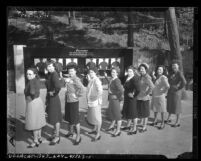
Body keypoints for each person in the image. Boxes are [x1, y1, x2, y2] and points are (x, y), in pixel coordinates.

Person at [24, 68, 46, 148]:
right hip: (38, 102)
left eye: (30, 74)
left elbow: (32, 92)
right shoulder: (37, 80)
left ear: (34, 74)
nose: (28, 76)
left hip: (32, 103)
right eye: (27, 74)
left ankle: (35, 141)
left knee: (34, 122)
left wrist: (30, 96)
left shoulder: (31, 81)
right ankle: (39, 138)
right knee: (38, 121)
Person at [64, 64, 85, 145]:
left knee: (75, 119)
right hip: (68, 100)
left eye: (72, 71)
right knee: (70, 117)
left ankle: (78, 136)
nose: (70, 72)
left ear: (75, 71)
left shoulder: (76, 79)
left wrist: (77, 95)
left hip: (73, 101)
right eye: (69, 71)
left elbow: (82, 89)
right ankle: (71, 132)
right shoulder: (70, 78)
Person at [45, 60, 62, 145]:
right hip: (50, 98)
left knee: (55, 118)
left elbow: (58, 87)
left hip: (54, 98)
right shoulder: (50, 74)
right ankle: (54, 134)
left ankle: (57, 137)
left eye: (51, 66)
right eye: (48, 66)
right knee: (53, 117)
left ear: (54, 67)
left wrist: (53, 93)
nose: (49, 68)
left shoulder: (54, 74)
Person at [166, 62, 187, 127]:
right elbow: (169, 80)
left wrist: (178, 87)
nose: (173, 67)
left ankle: (177, 122)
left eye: (175, 66)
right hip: (170, 91)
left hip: (176, 92)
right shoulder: (172, 73)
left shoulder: (179, 73)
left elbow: (184, 82)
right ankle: (168, 118)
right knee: (170, 105)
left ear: (178, 66)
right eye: (173, 66)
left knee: (177, 107)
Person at [105, 67, 124, 137]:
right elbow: (110, 83)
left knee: (117, 115)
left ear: (117, 73)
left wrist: (117, 97)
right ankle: (112, 126)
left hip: (115, 99)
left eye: (114, 72)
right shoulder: (112, 79)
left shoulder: (117, 80)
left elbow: (121, 90)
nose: (112, 73)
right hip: (111, 99)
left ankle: (118, 130)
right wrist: (106, 77)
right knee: (112, 113)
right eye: (112, 72)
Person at [86, 67, 103, 142]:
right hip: (91, 101)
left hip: (96, 102)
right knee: (93, 116)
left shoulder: (97, 80)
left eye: (92, 72)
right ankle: (94, 129)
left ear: (96, 72)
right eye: (90, 72)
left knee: (97, 118)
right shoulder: (92, 80)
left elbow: (100, 91)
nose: (91, 73)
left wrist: (95, 97)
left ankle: (98, 133)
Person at [121, 66, 140, 135]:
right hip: (126, 97)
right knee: (128, 111)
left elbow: (138, 89)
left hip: (132, 99)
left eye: (130, 71)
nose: (129, 73)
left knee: (133, 113)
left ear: (134, 71)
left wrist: (134, 95)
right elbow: (124, 85)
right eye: (128, 71)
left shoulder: (135, 78)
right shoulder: (127, 77)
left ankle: (134, 129)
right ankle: (128, 126)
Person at [151, 65, 170, 129]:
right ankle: (155, 120)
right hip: (155, 95)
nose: (159, 71)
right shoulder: (158, 77)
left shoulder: (163, 77)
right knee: (155, 109)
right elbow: (157, 82)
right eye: (158, 69)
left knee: (162, 110)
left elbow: (167, 86)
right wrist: (153, 75)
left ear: (163, 71)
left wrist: (164, 91)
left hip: (160, 96)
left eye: (160, 70)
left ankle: (162, 123)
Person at [136, 63, 154, 133]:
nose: (141, 70)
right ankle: (141, 122)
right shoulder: (141, 77)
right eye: (140, 69)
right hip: (139, 97)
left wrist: (147, 93)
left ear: (146, 70)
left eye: (143, 69)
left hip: (145, 98)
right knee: (141, 111)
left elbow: (152, 87)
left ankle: (144, 126)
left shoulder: (147, 77)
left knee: (145, 113)